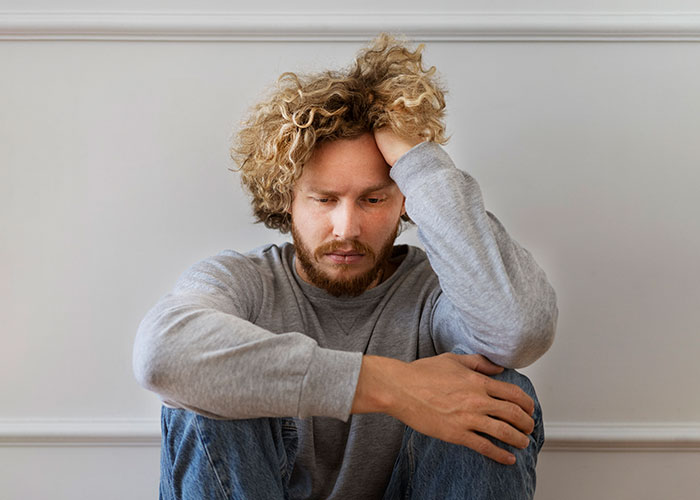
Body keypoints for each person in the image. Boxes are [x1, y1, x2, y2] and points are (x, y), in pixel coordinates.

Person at [133, 33, 557, 499]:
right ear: (287, 200)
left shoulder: (437, 296)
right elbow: (162, 355)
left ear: (404, 203)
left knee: (496, 396)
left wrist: (421, 165)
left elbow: (519, 330)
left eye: (374, 199)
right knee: (203, 396)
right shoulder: (242, 284)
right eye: (324, 199)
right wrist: (397, 387)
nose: (346, 227)